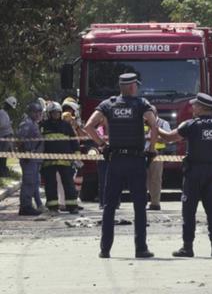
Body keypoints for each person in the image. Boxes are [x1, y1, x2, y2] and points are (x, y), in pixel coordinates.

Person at [84, 73, 159, 259]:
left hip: (115, 160)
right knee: (140, 206)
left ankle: (105, 249)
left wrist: (102, 145)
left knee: (109, 206)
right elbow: (154, 126)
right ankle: (141, 249)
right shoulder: (142, 104)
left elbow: (88, 126)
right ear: (133, 86)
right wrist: (152, 149)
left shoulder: (108, 105)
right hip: (135, 161)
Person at [159, 93, 212, 258]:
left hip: (194, 172)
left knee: (189, 211)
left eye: (195, 105)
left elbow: (169, 138)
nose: (192, 108)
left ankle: (187, 247)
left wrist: (155, 125)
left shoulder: (190, 125)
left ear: (202, 107)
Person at [40, 101, 79, 213]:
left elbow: (74, 141)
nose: (56, 115)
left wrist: (76, 156)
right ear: (49, 113)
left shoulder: (66, 125)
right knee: (50, 184)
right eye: (53, 113)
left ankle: (72, 206)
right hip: (49, 161)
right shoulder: (43, 125)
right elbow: (39, 142)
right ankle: (53, 207)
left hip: (65, 160)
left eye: (58, 113)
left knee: (68, 183)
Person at [17, 101, 43, 216]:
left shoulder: (34, 124)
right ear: (30, 112)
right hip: (28, 158)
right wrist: (25, 153)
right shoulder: (27, 124)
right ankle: (25, 207)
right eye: (35, 112)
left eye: (39, 112)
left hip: (35, 158)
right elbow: (20, 140)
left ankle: (35, 205)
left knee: (34, 182)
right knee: (28, 182)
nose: (37, 114)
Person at [146, 106, 172, 211]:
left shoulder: (163, 123)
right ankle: (143, 202)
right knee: (143, 179)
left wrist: (151, 138)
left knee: (155, 179)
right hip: (142, 153)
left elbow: (167, 139)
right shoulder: (142, 123)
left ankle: (155, 203)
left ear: (155, 113)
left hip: (157, 154)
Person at [0, 96, 17, 177]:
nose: (10, 108)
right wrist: (8, 125)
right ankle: (2, 172)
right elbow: (2, 125)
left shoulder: (5, 113)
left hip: (7, 137)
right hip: (4, 136)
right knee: (2, 156)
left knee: (4, 156)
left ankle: (3, 171)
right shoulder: (2, 113)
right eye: (10, 106)